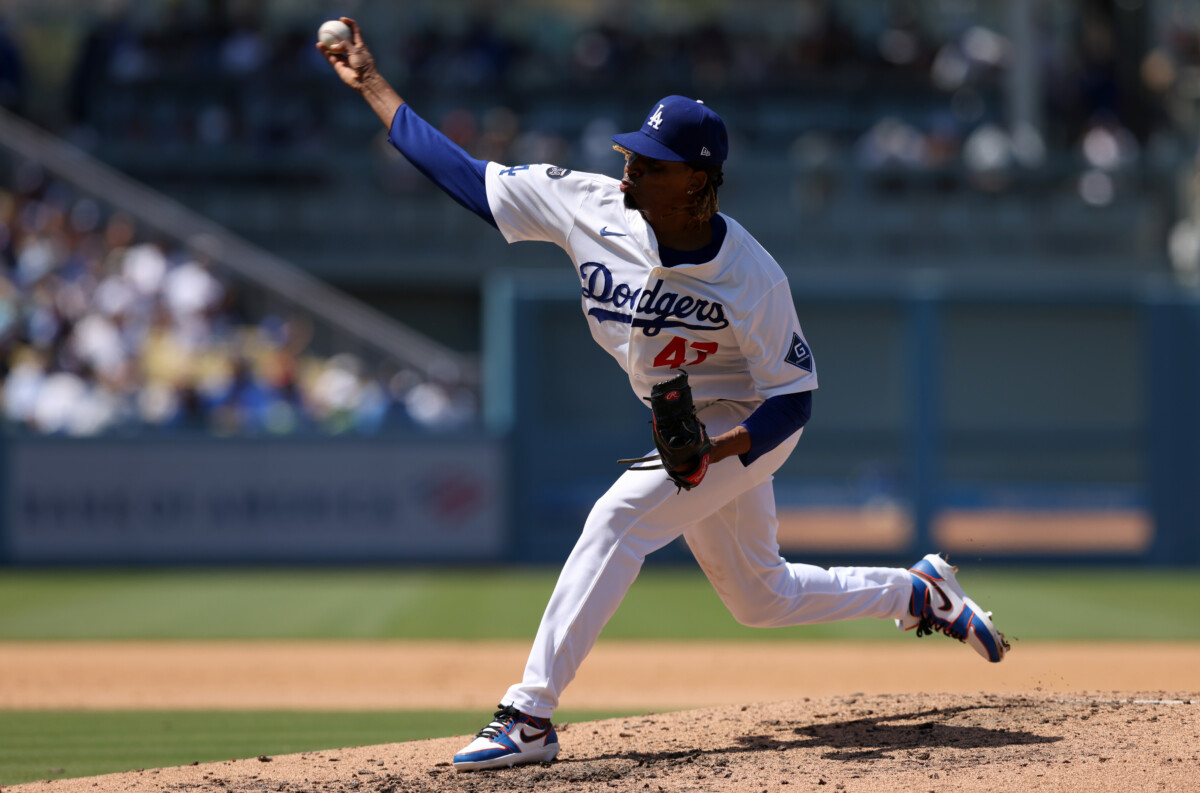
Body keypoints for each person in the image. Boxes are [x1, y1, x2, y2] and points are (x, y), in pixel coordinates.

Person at [318, 18, 1009, 773]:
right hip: (680, 415)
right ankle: (918, 591)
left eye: (649, 164)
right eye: (630, 156)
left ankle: (529, 715)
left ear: (697, 181)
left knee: (617, 517)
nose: (628, 173)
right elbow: (464, 176)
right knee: (760, 597)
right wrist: (373, 85)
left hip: (746, 420)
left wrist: (720, 447)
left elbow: (794, 400)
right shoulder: (588, 205)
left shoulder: (753, 277)